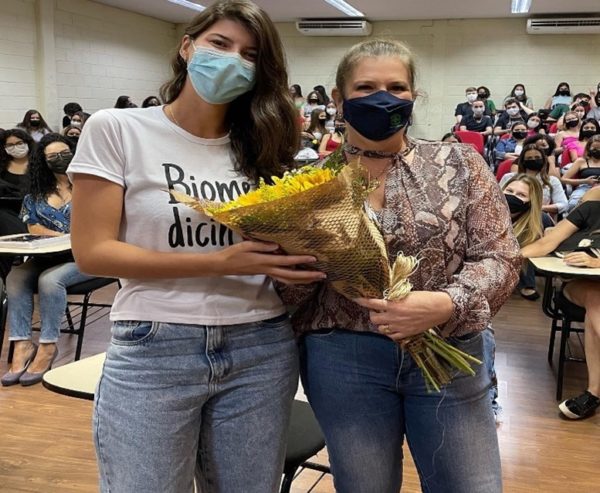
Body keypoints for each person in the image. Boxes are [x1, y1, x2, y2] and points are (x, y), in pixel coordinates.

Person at [67, 1, 324, 491]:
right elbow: (93, 253)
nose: (233, 61)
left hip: (261, 345)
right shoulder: (117, 128)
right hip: (155, 344)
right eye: (219, 44)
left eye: (250, 55)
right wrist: (218, 262)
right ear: (187, 47)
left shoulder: (264, 144)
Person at [279, 38, 521, 493]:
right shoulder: (309, 184)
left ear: (414, 95)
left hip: (451, 346)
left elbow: (502, 256)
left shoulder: (459, 163)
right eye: (365, 88)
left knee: (469, 485)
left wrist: (448, 302)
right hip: (344, 358)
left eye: (396, 87)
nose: (382, 98)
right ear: (339, 99)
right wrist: (290, 269)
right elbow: (292, 293)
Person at [1, 134, 93, 387]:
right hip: (49, 255)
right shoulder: (36, 194)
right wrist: (62, 236)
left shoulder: (91, 185)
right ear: (43, 161)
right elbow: (33, 227)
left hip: (87, 257)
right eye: (52, 156)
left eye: (64, 153)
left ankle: (48, 345)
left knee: (50, 280)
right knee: (15, 276)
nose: (59, 159)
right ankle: (22, 344)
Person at [521, 201, 600, 420]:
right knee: (596, 299)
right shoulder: (591, 209)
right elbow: (547, 242)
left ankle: (594, 394)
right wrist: (507, 258)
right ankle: (594, 393)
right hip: (581, 286)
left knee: (596, 310)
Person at [501, 174, 545, 300]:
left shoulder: (540, 220)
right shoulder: (483, 211)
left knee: (530, 237)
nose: (512, 196)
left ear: (531, 202)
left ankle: (527, 284)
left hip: (515, 259)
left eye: (521, 195)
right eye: (509, 191)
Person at [500, 143, 568, 222]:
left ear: (543, 159)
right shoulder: (508, 177)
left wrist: (538, 208)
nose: (533, 160)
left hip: (536, 219)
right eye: (529, 158)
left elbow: (563, 204)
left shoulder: (552, 181)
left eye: (537, 157)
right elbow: (496, 197)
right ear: (523, 161)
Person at [0, 128, 35, 279]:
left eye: (19, 143)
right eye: (10, 145)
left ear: (27, 143)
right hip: (7, 210)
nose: (15, 147)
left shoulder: (38, 165)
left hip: (32, 211)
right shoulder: (2, 166)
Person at [561, 134, 600, 211]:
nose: (597, 150)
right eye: (594, 148)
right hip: (584, 187)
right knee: (573, 204)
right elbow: (563, 179)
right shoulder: (581, 161)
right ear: (589, 148)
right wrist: (585, 181)